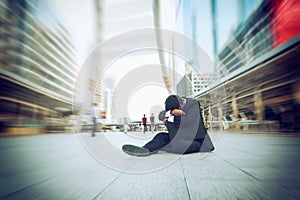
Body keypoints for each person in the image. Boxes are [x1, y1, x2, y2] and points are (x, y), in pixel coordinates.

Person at [122, 95, 215, 156]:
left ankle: (164, 147)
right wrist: (171, 112)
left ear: (181, 105)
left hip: (198, 141)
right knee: (160, 136)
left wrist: (170, 118)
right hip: (182, 136)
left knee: (180, 146)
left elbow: (188, 121)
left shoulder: (194, 104)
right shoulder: (176, 103)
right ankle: (146, 149)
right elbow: (161, 115)